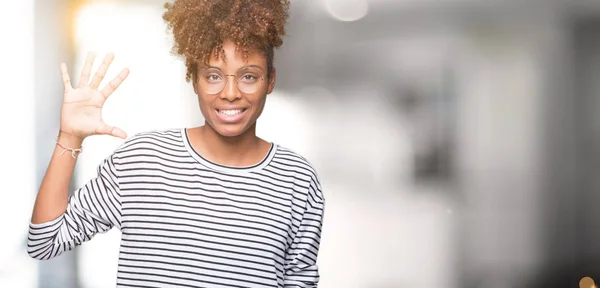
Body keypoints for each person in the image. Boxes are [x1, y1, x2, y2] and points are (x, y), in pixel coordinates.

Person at [27, 0, 325, 287]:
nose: (231, 92)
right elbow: (44, 241)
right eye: (213, 76)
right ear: (193, 78)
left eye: (248, 76)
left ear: (270, 80)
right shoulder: (142, 161)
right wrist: (70, 137)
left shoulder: (298, 180)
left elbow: (299, 281)